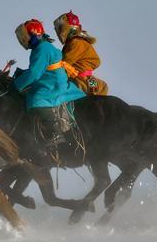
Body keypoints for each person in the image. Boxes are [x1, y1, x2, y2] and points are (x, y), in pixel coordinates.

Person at [12, 19, 86, 152]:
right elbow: (37, 70)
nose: (24, 40)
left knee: (37, 99)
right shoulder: (42, 47)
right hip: (49, 80)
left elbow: (35, 73)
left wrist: (16, 85)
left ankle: (57, 132)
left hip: (52, 84)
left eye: (25, 36)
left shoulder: (42, 48)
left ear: (34, 34)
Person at [52, 11, 108, 95]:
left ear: (65, 29)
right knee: (103, 87)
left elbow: (64, 65)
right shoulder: (82, 42)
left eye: (60, 29)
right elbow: (97, 62)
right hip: (89, 80)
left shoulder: (75, 43)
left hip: (78, 81)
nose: (58, 34)